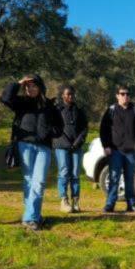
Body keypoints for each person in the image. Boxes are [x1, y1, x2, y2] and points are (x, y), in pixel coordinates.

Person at [0, 74, 63, 230]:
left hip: (44, 147)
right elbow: (5, 98)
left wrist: (49, 132)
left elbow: (59, 126)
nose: (31, 89)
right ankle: (34, 216)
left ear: (40, 87)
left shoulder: (50, 105)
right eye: (28, 86)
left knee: (39, 181)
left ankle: (30, 217)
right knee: (29, 181)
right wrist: (18, 83)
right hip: (25, 145)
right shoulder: (21, 102)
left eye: (34, 86)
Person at [99, 85, 135, 214]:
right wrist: (106, 146)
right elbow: (103, 130)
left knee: (130, 178)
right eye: (122, 94)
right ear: (117, 96)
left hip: (131, 152)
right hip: (115, 151)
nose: (125, 96)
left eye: (127, 94)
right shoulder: (111, 110)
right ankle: (110, 204)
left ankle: (131, 204)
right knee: (114, 177)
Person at [52, 84, 88, 213]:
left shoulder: (79, 110)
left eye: (72, 94)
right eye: (68, 94)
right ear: (63, 96)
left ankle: (76, 201)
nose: (70, 96)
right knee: (64, 172)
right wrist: (66, 142)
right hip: (61, 146)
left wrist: (77, 142)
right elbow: (54, 128)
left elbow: (84, 128)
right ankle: (64, 200)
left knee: (75, 174)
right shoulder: (57, 110)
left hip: (76, 147)